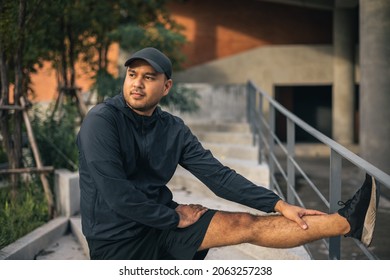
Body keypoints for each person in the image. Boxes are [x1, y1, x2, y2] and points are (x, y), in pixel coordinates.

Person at [76, 47, 380, 260]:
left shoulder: (172, 129)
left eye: (149, 77)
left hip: (161, 225)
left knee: (244, 225)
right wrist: (170, 216)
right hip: (116, 242)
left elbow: (218, 176)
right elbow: (117, 195)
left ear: (166, 86)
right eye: (132, 75)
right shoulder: (102, 121)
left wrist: (277, 203)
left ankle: (347, 222)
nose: (137, 84)